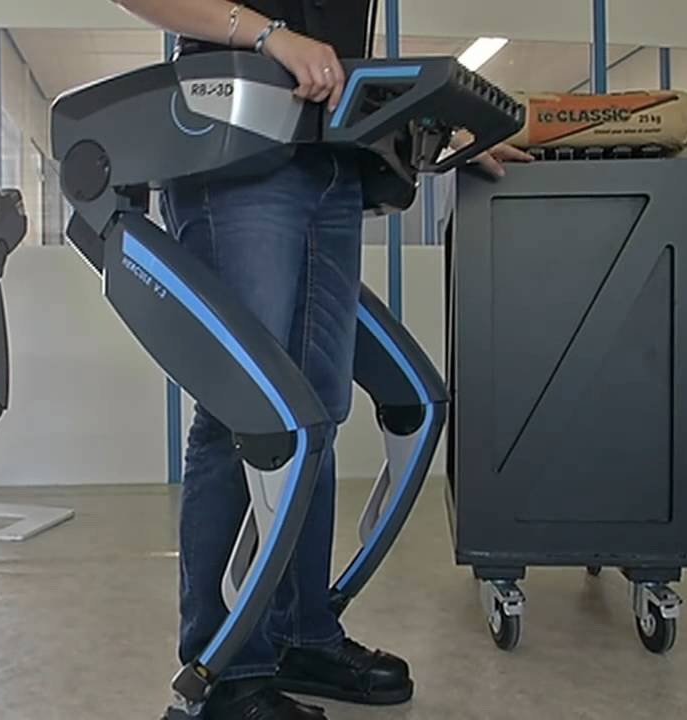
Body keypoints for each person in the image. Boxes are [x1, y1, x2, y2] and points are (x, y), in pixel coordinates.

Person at [112, 2, 530, 718]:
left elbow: (335, 50)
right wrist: (270, 36)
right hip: (237, 146)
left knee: (313, 414)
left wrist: (441, 133)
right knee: (250, 412)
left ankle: (300, 636)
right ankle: (228, 671)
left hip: (333, 160)